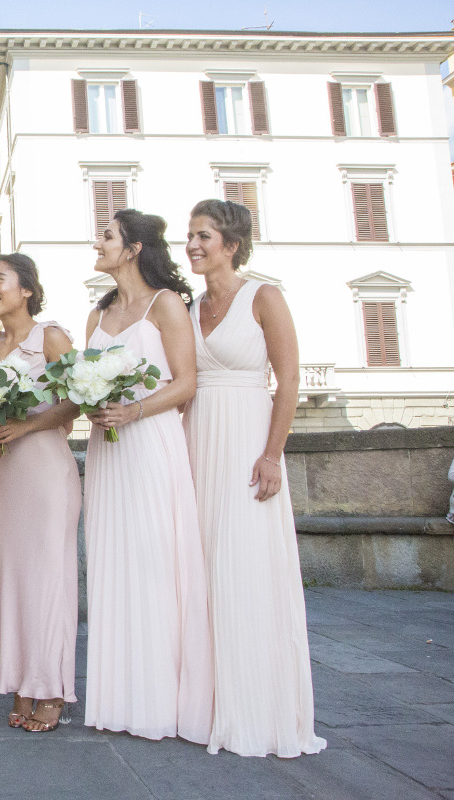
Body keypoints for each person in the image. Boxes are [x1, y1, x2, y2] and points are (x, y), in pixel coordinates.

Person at [182, 199, 327, 757]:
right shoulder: (192, 306)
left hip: (247, 442)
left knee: (245, 569)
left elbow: (287, 381)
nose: (194, 245)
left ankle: (256, 709)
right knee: (204, 568)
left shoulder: (264, 296)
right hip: (199, 443)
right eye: (191, 236)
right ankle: (209, 701)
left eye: (204, 236)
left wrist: (272, 454)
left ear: (232, 244)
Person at [81, 209, 214, 744]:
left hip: (150, 444)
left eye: (107, 236)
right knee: (113, 562)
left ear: (133, 249)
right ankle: (121, 695)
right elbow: (81, 378)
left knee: (155, 562)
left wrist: (134, 411)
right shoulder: (98, 312)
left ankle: (162, 697)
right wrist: (91, 404)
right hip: (106, 450)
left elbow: (186, 383)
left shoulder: (167, 305)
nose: (99, 242)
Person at [0, 253, 81, 733]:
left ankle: (52, 687)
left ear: (28, 290)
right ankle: (22, 681)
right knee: (15, 576)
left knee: (49, 576)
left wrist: (24, 425)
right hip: (6, 470)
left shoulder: (51, 337)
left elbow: (75, 402)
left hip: (44, 465)